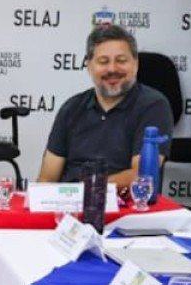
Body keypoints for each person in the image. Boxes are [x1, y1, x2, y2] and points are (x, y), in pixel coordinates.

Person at [33, 23, 173, 188]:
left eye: (121, 60)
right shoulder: (71, 108)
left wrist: (87, 190)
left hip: (124, 208)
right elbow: (47, 179)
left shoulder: (154, 106)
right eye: (103, 61)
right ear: (89, 66)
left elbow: (141, 175)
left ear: (136, 64)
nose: (112, 69)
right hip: (67, 205)